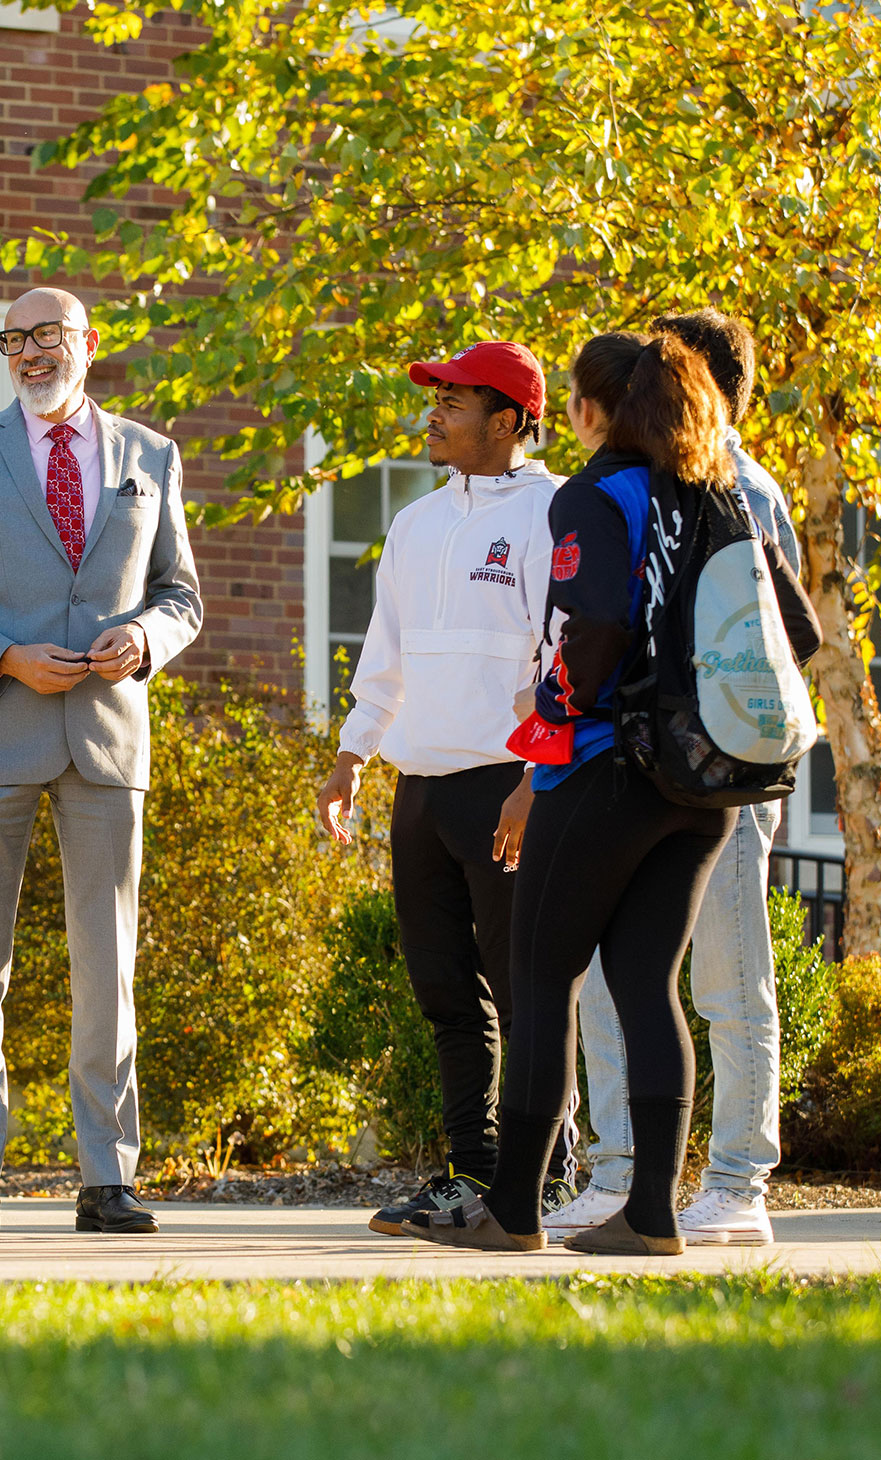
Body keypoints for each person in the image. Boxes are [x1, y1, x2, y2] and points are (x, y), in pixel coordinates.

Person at [403, 330, 820, 1255]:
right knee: (646, 984)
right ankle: (652, 1215)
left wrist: (550, 704)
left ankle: (513, 1211)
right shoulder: (721, 492)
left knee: (541, 975)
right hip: (705, 785)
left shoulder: (598, 493)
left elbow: (590, 627)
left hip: (605, 768)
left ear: (593, 410)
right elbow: (800, 628)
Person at [0, 287, 205, 1235]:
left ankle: (108, 1176)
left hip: (109, 740)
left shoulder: (151, 455)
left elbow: (181, 593)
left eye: (47, 337)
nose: (29, 354)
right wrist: (5, 658)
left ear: (88, 344)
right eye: (14, 340)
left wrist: (145, 641)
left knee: (107, 966)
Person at [310, 341, 583, 1236]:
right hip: (420, 788)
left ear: (509, 420)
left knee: (525, 986)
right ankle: (471, 1176)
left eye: (455, 402)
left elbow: (564, 658)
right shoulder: (418, 522)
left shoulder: (553, 514)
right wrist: (354, 755)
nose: (434, 415)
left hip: (508, 784)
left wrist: (538, 779)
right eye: (437, 400)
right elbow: (384, 650)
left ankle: (544, 1177)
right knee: (446, 997)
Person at [545, 309, 805, 1248]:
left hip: (721, 762)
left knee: (728, 979)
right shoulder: (651, 482)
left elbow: (786, 633)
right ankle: (620, 1172)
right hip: (654, 760)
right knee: (627, 980)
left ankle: (740, 1179)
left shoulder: (742, 485)